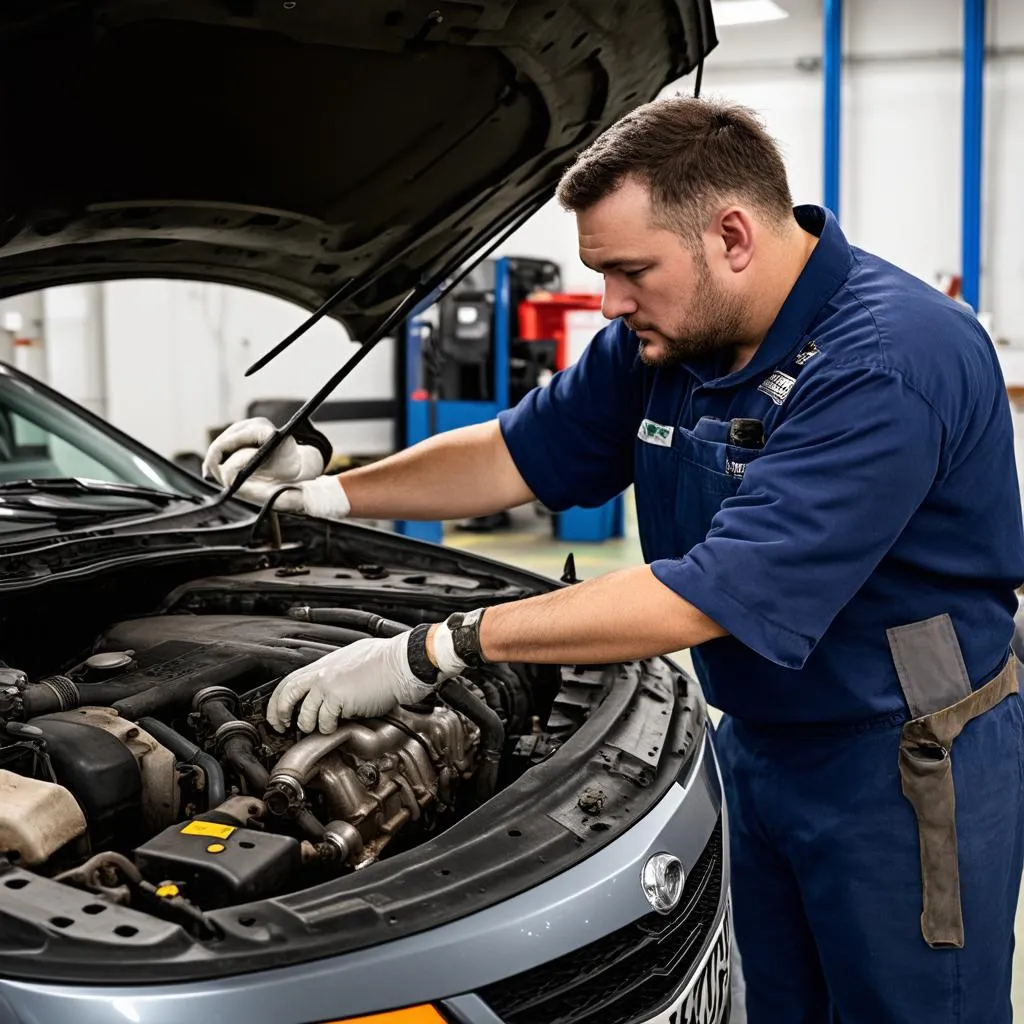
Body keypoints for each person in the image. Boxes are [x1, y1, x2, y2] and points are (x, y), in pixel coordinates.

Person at [203, 97, 1024, 1023]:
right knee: (778, 1005)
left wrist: (435, 648)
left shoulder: (889, 359)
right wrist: (329, 489)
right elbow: (515, 451)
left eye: (630, 271)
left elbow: (710, 592)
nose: (610, 302)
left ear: (732, 236)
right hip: (757, 737)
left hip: (907, 764)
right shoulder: (671, 337)